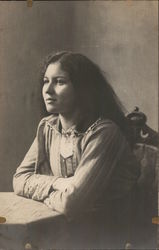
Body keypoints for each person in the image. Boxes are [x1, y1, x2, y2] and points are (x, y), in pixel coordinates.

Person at [13, 51, 140, 248]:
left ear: (82, 88)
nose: (48, 90)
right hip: (70, 228)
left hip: (109, 235)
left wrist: (50, 191)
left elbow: (71, 203)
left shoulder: (104, 133)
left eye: (59, 82)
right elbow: (19, 179)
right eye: (46, 81)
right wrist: (60, 183)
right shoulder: (48, 127)